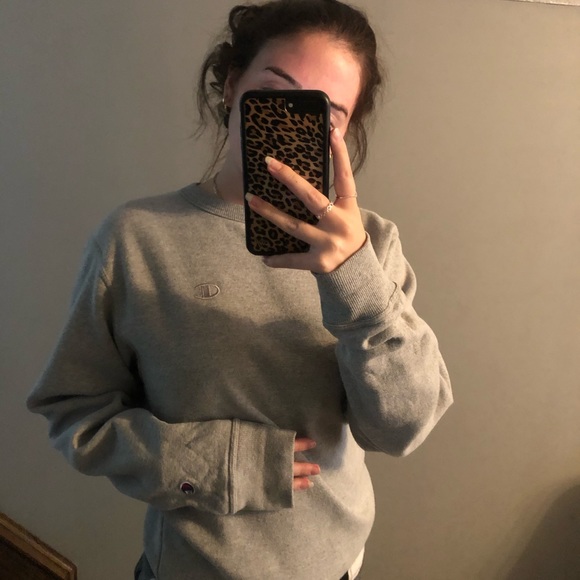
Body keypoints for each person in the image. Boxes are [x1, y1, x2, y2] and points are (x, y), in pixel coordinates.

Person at [27, 1, 453, 579]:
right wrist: (215, 463)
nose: (292, 123)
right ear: (231, 86)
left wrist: (357, 281)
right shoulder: (136, 238)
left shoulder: (373, 245)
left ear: (345, 130)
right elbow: (74, 412)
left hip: (336, 566)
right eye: (274, 93)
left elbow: (402, 429)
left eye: (325, 114)